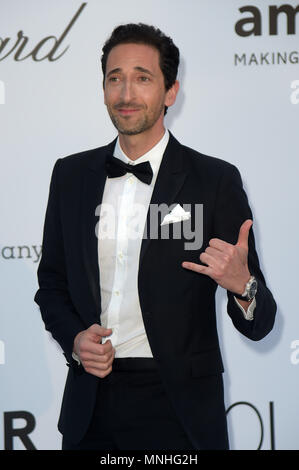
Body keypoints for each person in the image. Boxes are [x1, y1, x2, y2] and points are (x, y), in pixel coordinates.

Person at [34, 23, 276, 451]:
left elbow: (261, 323)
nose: (126, 93)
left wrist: (244, 285)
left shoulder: (214, 180)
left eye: (143, 78)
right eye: (115, 78)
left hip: (181, 411)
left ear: (170, 91)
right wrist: (74, 339)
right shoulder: (70, 175)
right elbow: (51, 284)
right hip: (91, 405)